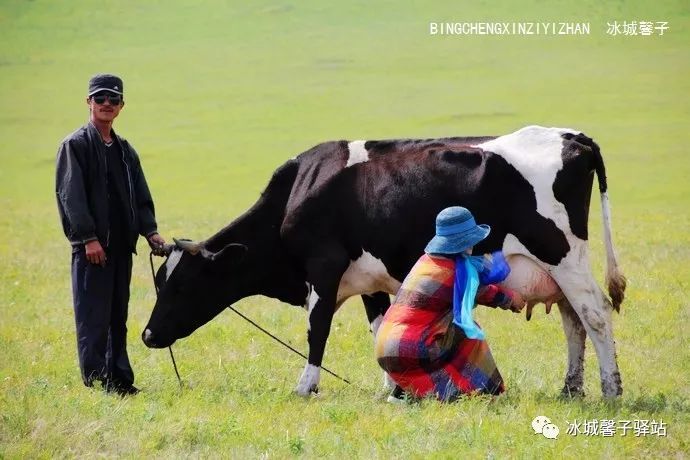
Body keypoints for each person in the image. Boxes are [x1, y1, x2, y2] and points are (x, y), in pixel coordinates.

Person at [55, 74, 166, 396]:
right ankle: (96, 381)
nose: (107, 104)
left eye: (113, 99)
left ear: (121, 106)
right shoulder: (75, 146)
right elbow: (71, 196)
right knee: (94, 316)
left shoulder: (125, 150)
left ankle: (119, 379)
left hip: (120, 247)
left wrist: (150, 232)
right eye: (100, 98)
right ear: (88, 102)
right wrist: (87, 238)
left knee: (118, 315)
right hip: (92, 248)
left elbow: (140, 196)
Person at [375, 206, 526, 402]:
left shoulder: (425, 261)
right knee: (468, 332)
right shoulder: (456, 270)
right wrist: (512, 299)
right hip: (410, 350)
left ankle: (402, 394)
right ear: (466, 243)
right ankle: (486, 390)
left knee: (434, 334)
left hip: (383, 346)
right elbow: (484, 292)